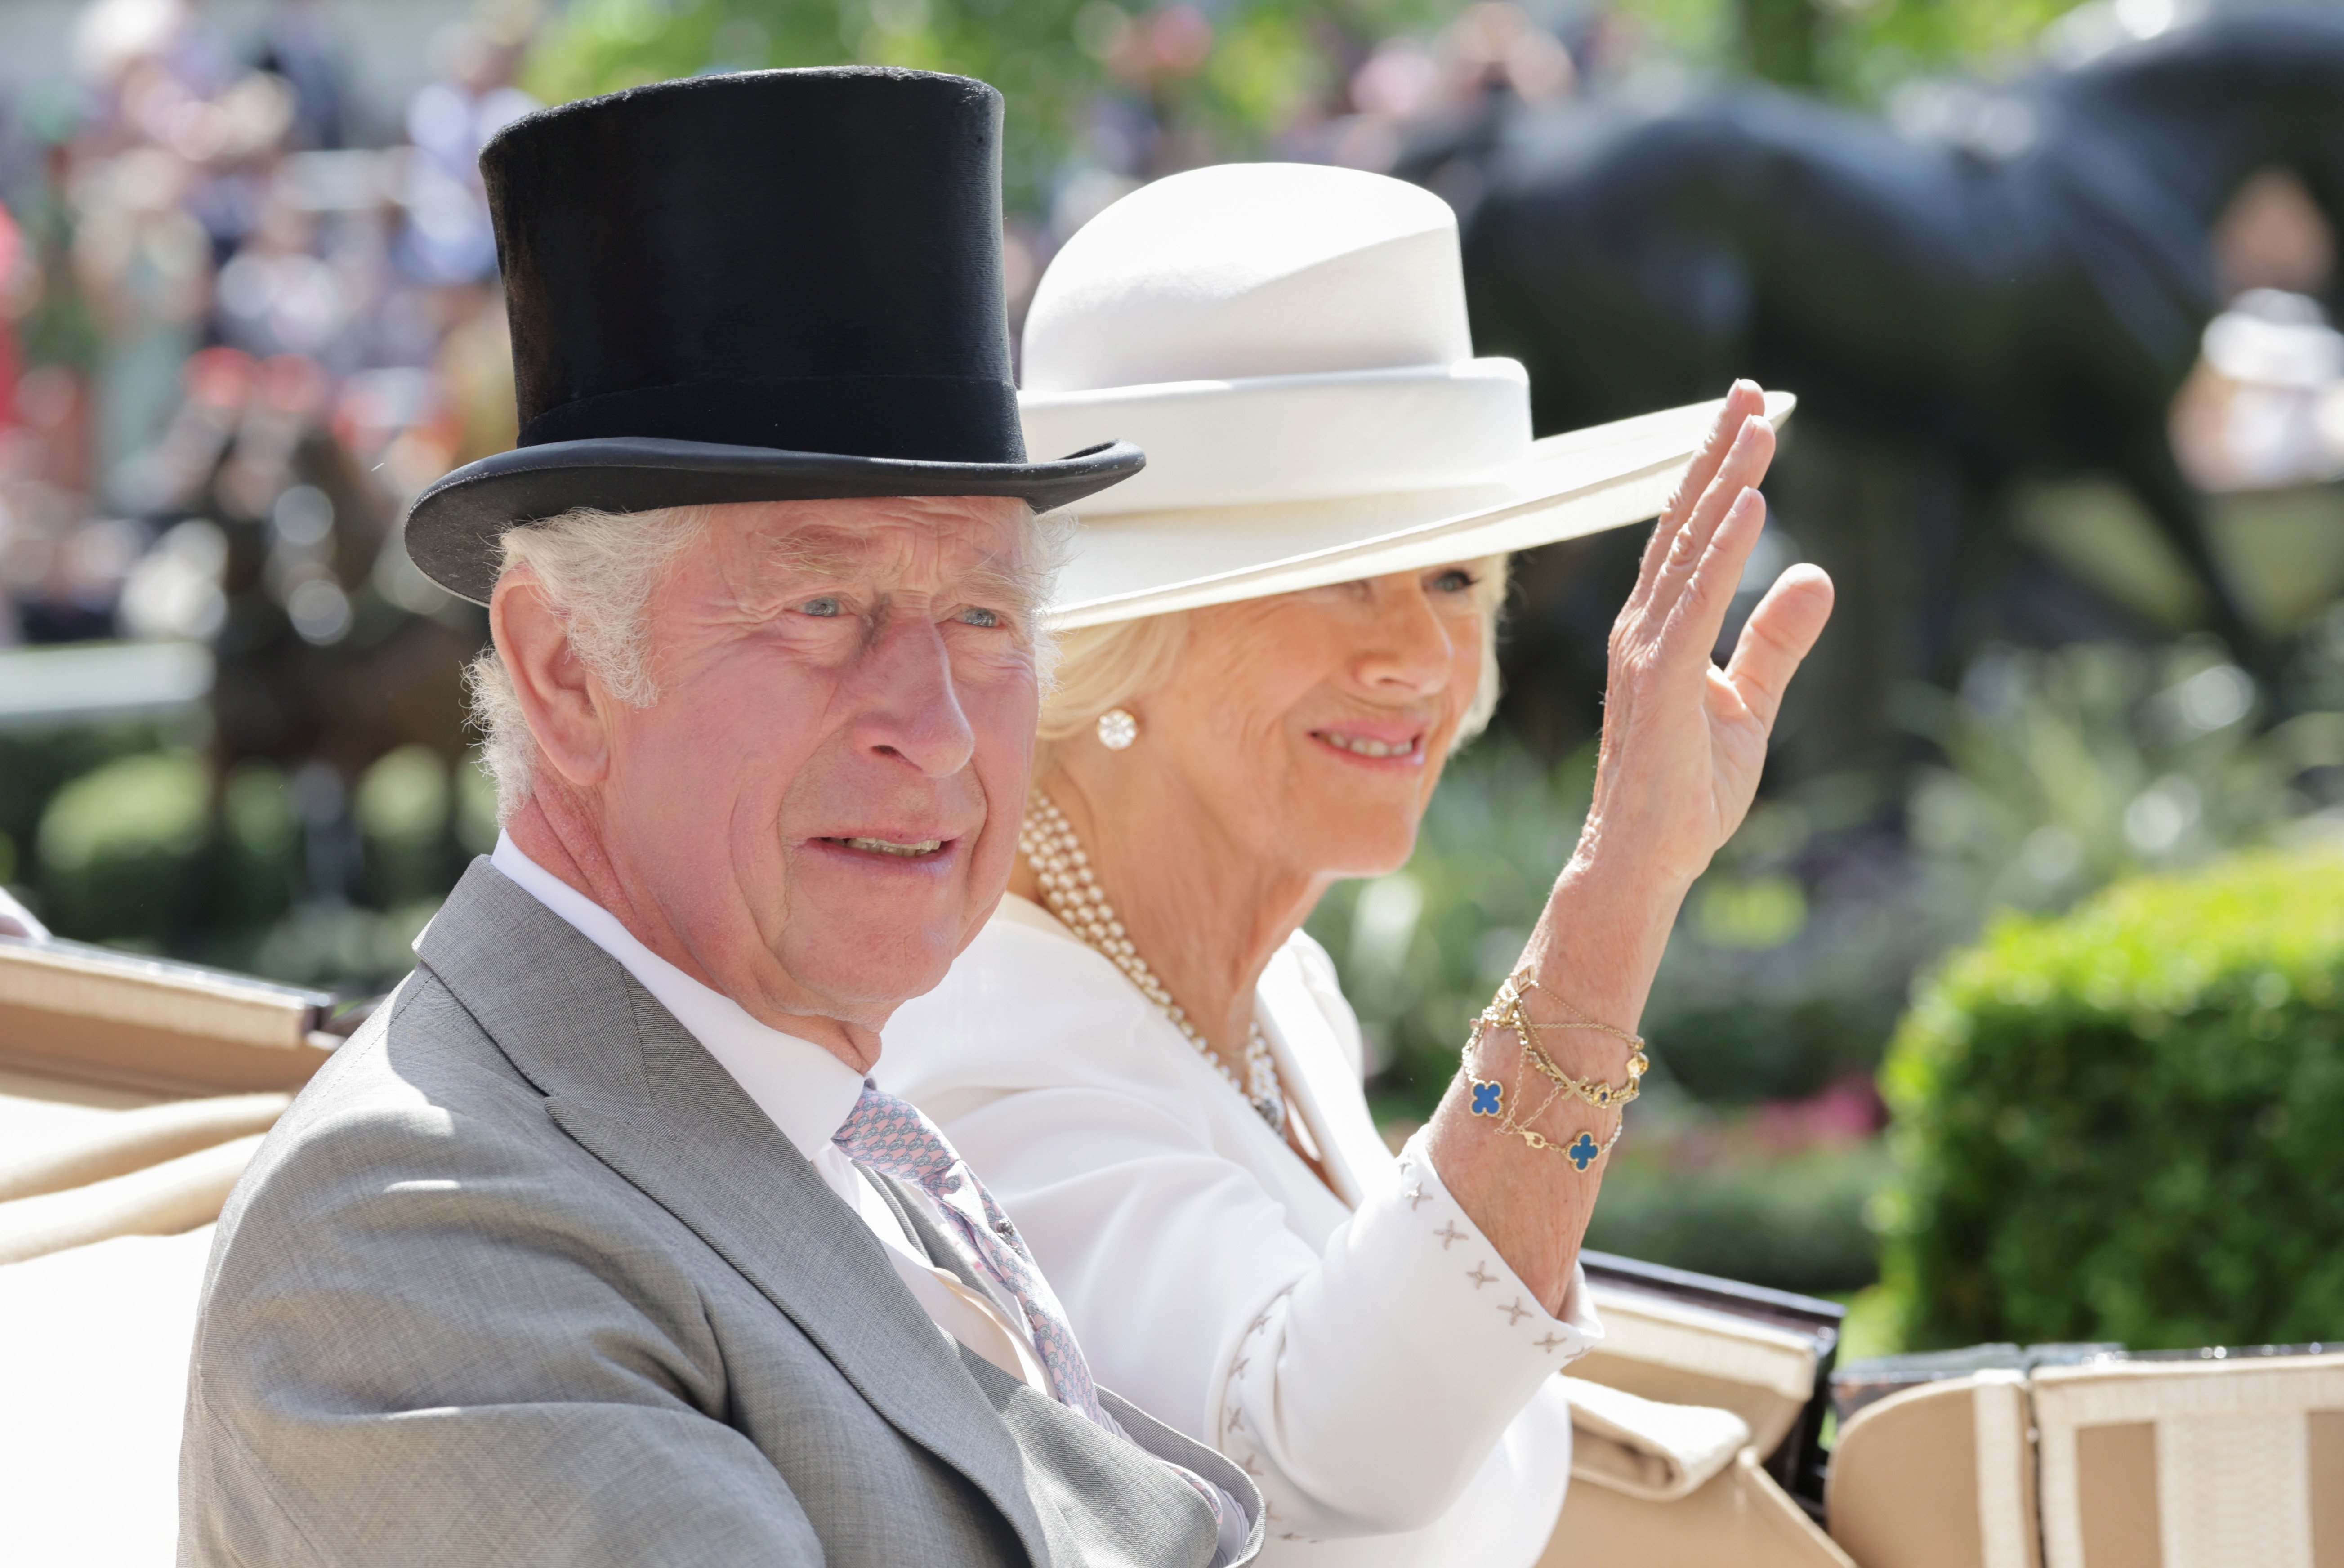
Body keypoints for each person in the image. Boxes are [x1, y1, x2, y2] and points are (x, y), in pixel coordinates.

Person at [178, 69, 1264, 1568]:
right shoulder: (420, 1231)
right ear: (564, 671)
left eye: (982, 615)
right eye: (822, 607)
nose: (936, 727)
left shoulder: (817, 1105)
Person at [876, 163, 1833, 1565]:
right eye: (1342, 572)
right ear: (1126, 635)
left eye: (1454, 577)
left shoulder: (1284, 991)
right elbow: (1326, 1461)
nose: (1420, 656)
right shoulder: (983, 1039)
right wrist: (1623, 885)